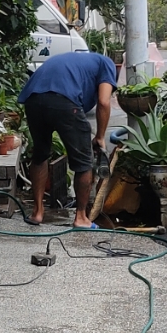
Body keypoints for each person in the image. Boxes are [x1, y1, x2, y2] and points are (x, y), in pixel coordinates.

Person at [17, 49, 117, 228]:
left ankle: (37, 212)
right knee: (83, 162)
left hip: (34, 98)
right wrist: (100, 137)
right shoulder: (107, 64)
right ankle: (81, 218)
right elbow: (104, 101)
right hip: (64, 100)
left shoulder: (76, 60)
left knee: (40, 154)